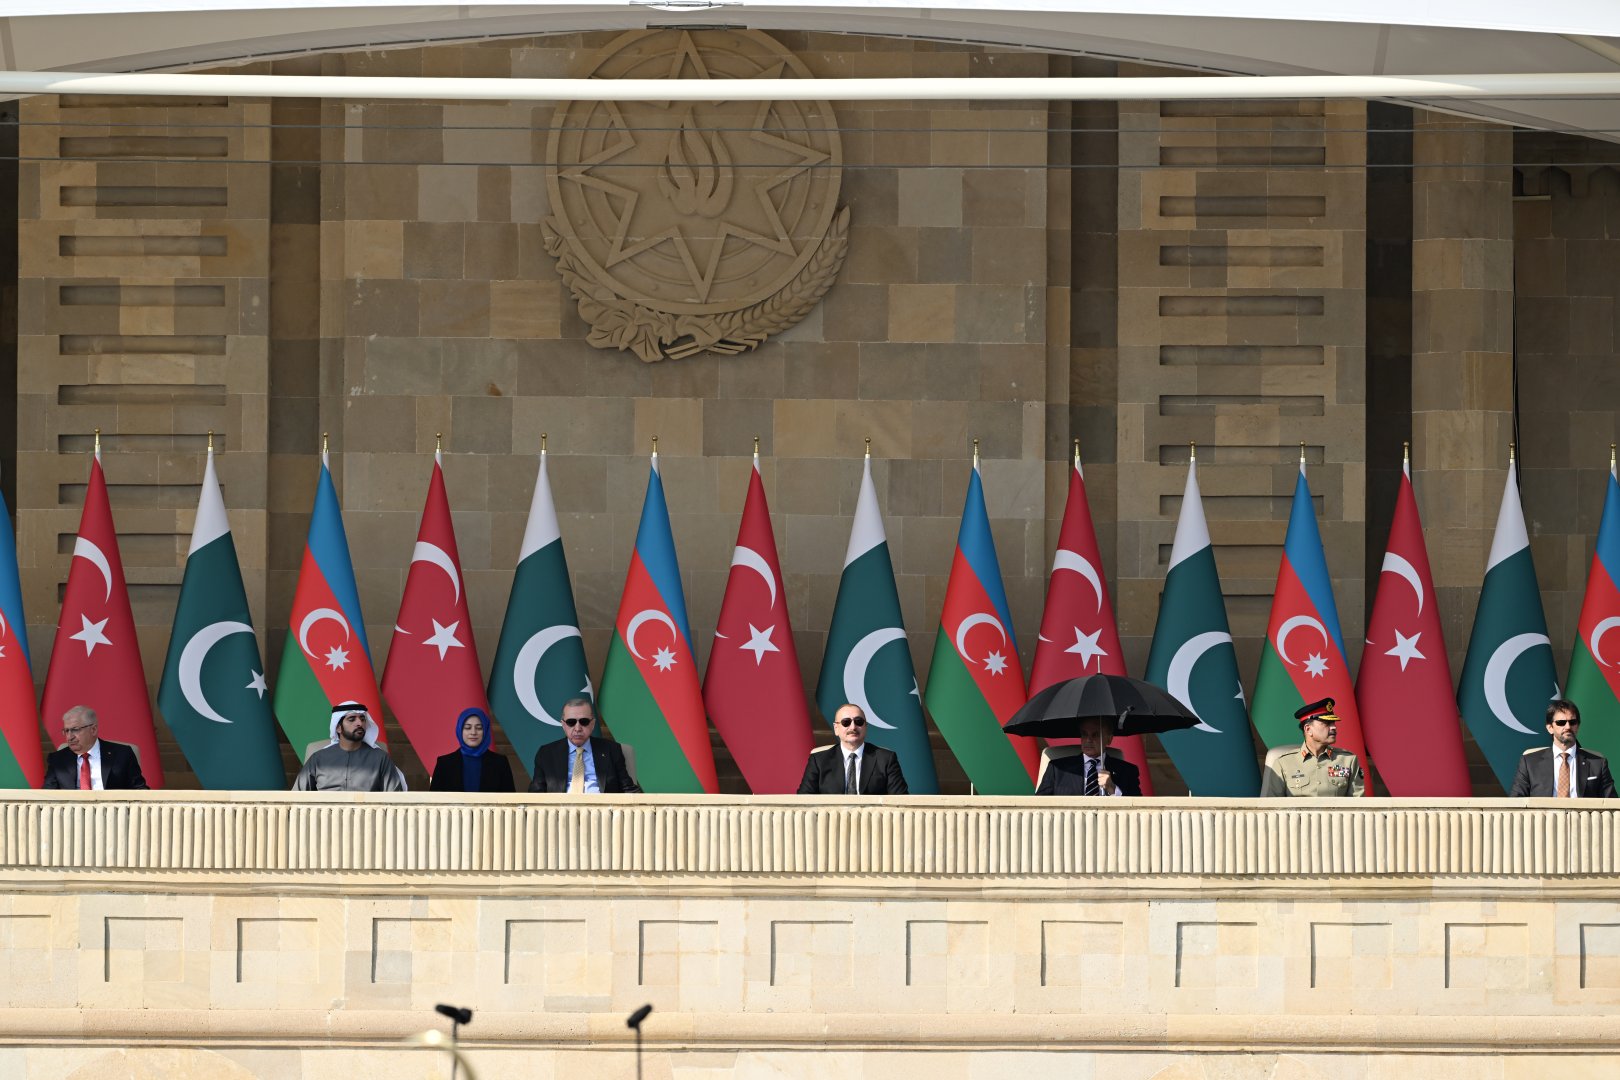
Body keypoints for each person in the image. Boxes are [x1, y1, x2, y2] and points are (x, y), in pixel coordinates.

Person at [528, 697, 642, 793]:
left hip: (603, 814)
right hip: (561, 814)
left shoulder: (611, 749)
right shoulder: (546, 753)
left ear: (592, 724)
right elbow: (535, 794)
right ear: (563, 724)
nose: (577, 728)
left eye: (584, 722)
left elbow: (628, 789)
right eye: (571, 722)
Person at [1509, 699, 1616, 798]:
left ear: (1577, 726)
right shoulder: (1529, 763)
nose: (1568, 727)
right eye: (1561, 723)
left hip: (1583, 818)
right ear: (1550, 728)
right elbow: (1516, 802)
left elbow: (1612, 804)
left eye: (1572, 722)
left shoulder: (1597, 763)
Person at [1259, 697, 1364, 797]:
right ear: (1308, 729)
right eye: (1326, 723)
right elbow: (1273, 808)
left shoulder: (1348, 760)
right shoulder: (1283, 763)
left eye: (1333, 723)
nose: (1334, 727)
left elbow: (1358, 805)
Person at [292, 702, 407, 792]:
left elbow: (395, 799)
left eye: (362, 719)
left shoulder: (380, 758)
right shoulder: (318, 759)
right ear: (338, 728)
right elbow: (297, 796)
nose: (359, 723)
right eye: (352, 719)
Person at [796, 703, 908, 795]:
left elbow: (900, 801)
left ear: (865, 727)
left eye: (859, 721)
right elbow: (803, 801)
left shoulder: (886, 759)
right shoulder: (819, 761)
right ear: (836, 729)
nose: (853, 727)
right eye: (846, 722)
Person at [42, 705, 148, 790]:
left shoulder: (122, 754)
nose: (70, 737)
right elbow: (47, 795)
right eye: (66, 731)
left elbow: (139, 790)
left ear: (93, 730)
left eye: (75, 730)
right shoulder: (57, 760)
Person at [1035, 716, 1142, 796]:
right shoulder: (1057, 768)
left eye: (1095, 735)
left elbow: (1138, 810)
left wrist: (1112, 789)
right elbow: (1038, 807)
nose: (1088, 740)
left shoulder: (1128, 771)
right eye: (1084, 734)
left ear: (1109, 739)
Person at [430, 706, 516, 793]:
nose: (473, 732)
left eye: (479, 728)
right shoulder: (444, 764)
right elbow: (433, 803)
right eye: (467, 728)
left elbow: (510, 802)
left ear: (485, 731)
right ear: (460, 730)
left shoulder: (500, 763)